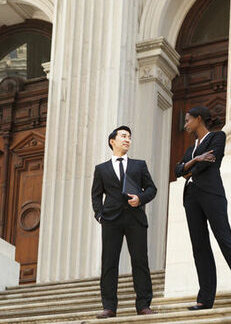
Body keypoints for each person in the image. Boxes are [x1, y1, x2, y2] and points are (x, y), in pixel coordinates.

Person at [175, 106, 231, 310]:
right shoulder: (190, 148)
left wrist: (189, 168)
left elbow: (212, 161)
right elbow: (177, 170)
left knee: (225, 240)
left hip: (211, 194)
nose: (185, 124)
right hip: (191, 197)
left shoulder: (217, 137)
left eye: (187, 120)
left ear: (199, 119)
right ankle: (205, 298)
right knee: (199, 247)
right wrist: (195, 160)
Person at [91, 126, 157, 319]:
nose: (127, 140)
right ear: (112, 141)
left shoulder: (139, 165)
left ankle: (144, 305)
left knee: (140, 262)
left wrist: (140, 199)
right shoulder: (101, 169)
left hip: (135, 219)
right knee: (109, 263)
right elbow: (96, 195)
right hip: (111, 220)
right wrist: (99, 214)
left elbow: (151, 189)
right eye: (123, 136)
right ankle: (109, 307)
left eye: (129, 137)